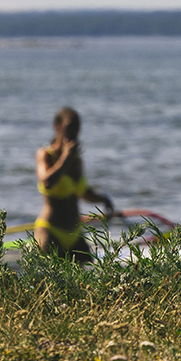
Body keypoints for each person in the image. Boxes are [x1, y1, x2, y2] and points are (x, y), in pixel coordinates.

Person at [33, 106, 114, 262]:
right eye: (70, 126)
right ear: (57, 127)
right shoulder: (45, 154)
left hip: (74, 232)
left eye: (77, 126)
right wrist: (66, 158)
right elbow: (47, 181)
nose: (74, 131)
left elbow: (83, 192)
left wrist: (104, 200)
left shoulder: (75, 160)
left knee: (89, 279)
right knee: (52, 280)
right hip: (51, 231)